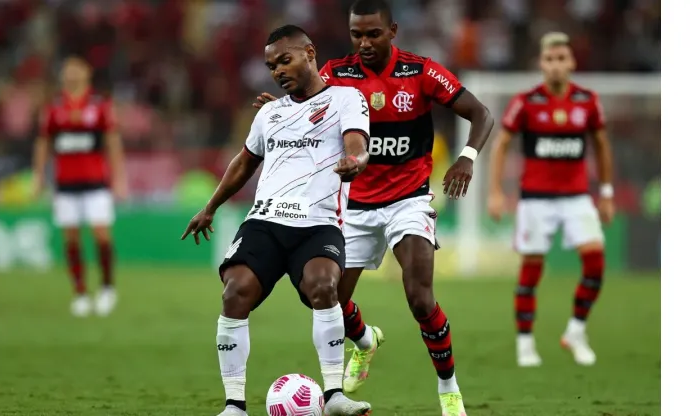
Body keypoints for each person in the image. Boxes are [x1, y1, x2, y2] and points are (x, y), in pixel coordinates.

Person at [253, 1, 494, 414]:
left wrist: (468, 156)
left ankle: (449, 390)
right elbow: (304, 102)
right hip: (354, 204)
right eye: (356, 35)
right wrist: (278, 111)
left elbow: (481, 113)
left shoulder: (420, 72)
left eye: (373, 34)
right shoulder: (337, 74)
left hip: (409, 199)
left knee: (420, 298)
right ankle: (365, 341)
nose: (363, 43)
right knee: (321, 300)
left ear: (393, 30)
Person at [182, 25, 373, 416]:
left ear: (310, 52)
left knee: (323, 287)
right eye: (271, 66)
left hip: (318, 223)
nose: (278, 71)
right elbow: (244, 162)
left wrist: (356, 162)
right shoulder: (270, 112)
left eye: (285, 60)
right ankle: (234, 405)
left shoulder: (345, 98)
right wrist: (210, 206)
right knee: (235, 292)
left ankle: (335, 396)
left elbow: (357, 143)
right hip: (265, 222)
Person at [487, 32, 615, 367]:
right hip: (536, 201)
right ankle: (525, 344)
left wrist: (606, 192)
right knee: (531, 272)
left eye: (562, 59)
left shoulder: (587, 100)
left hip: (577, 198)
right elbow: (501, 145)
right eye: (550, 60)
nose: (556, 66)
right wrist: (496, 192)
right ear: (541, 64)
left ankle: (575, 330)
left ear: (571, 62)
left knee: (596, 264)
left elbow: (601, 146)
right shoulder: (526, 102)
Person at [33, 56, 127, 317]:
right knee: (71, 239)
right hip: (65, 184)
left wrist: (119, 178)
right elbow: (43, 144)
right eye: (67, 70)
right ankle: (80, 293)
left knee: (101, 236)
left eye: (76, 69)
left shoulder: (99, 105)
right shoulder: (53, 108)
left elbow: (112, 142)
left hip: (96, 183)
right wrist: (38, 176)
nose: (71, 74)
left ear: (87, 73)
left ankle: (107, 287)